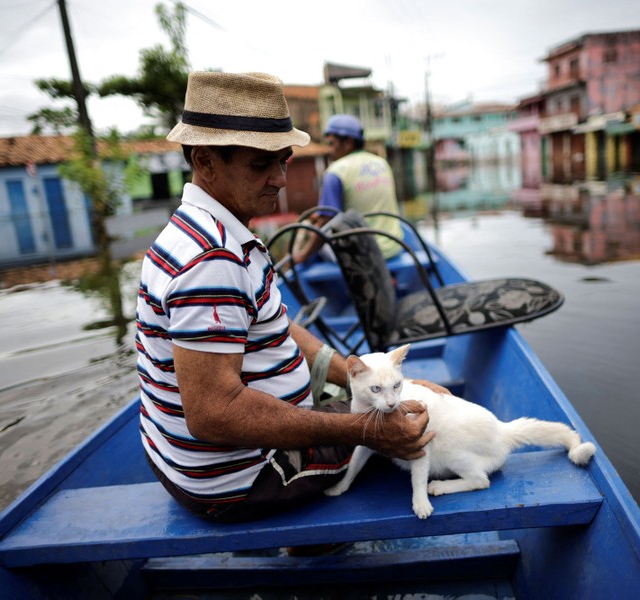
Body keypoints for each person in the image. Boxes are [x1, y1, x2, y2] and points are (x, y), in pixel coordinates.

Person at [136, 71, 436, 524]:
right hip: (244, 477)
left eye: (283, 160)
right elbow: (214, 414)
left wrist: (362, 373)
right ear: (205, 161)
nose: (279, 178)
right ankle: (322, 548)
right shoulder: (212, 260)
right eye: (261, 165)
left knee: (400, 402)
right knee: (417, 425)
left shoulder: (204, 232)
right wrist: (364, 431)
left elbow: (278, 324)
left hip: (187, 466)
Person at [291, 114, 404, 263]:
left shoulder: (336, 171)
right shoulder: (381, 163)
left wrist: (302, 256)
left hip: (363, 255)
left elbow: (327, 221)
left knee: (315, 246)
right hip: (394, 246)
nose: (329, 150)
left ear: (349, 143)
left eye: (332, 143)